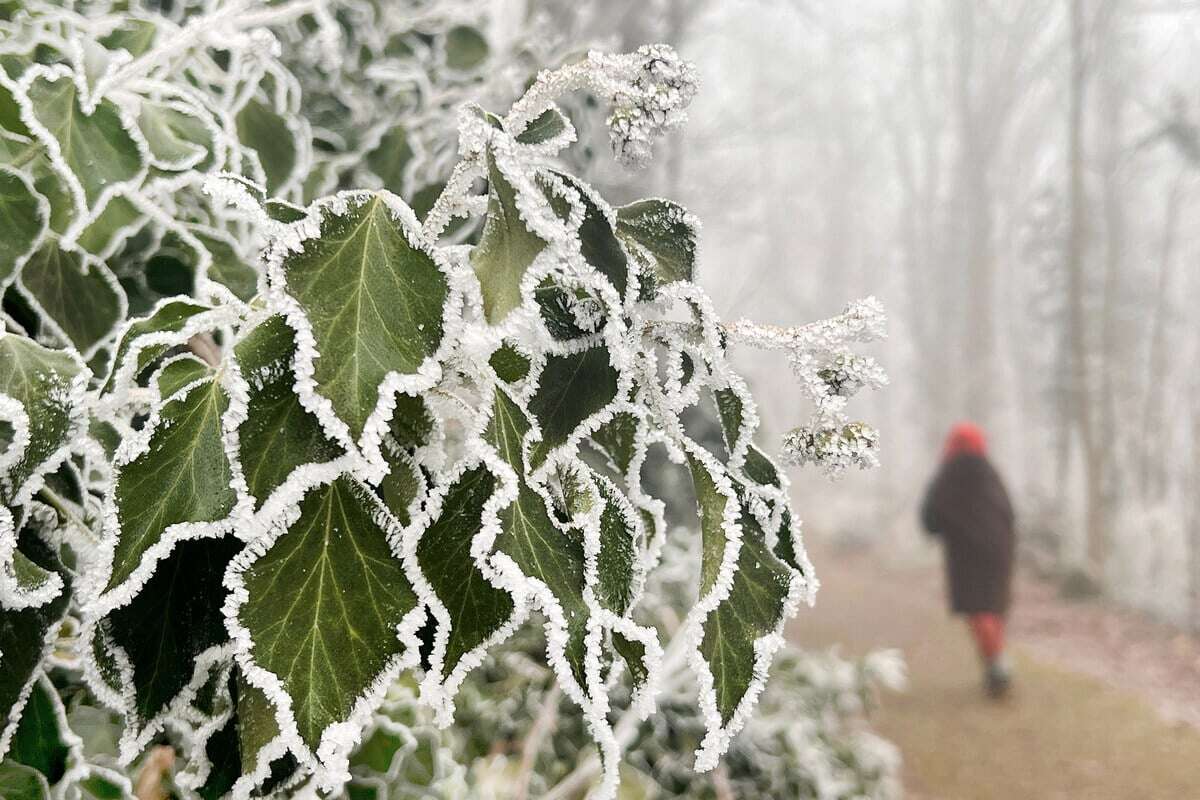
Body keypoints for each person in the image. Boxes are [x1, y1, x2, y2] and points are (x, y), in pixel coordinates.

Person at [920, 422, 1016, 698]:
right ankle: (996, 664)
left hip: (966, 555)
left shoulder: (948, 474)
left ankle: (997, 666)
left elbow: (931, 517)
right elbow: (1008, 512)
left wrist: (946, 528)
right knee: (992, 609)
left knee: (979, 611)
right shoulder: (990, 472)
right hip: (999, 551)